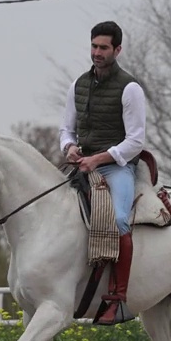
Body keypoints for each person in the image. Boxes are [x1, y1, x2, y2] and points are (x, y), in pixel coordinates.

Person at [59, 20, 146, 325]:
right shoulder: (77, 85)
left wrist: (98, 159)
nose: (97, 52)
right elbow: (66, 129)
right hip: (82, 164)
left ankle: (118, 299)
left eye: (104, 48)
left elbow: (136, 140)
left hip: (117, 167)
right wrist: (69, 147)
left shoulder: (130, 88)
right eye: (94, 46)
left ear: (117, 50)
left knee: (120, 218)